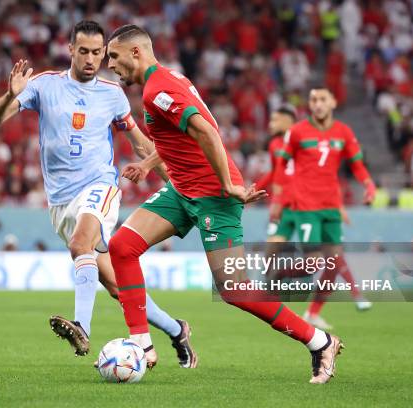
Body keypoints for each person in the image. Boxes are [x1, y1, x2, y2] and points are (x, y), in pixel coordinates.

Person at [106, 24, 343, 384]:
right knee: (122, 246)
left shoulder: (158, 90)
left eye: (113, 56)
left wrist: (229, 184)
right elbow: (177, 137)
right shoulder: (168, 79)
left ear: (135, 52)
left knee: (235, 289)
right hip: (182, 191)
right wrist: (149, 163)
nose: (110, 64)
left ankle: (319, 341)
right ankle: (141, 343)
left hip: (214, 197)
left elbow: (206, 131)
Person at [0, 21, 196, 368]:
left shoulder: (112, 93)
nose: (91, 58)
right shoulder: (44, 85)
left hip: (100, 187)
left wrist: (175, 182)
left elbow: (141, 142)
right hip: (60, 200)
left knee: (80, 244)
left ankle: (81, 326)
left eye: (97, 52)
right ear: (70, 49)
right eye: (83, 51)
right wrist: (11, 94)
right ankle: (177, 330)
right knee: (117, 286)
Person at [258, 106, 372, 331]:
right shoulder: (274, 145)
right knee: (273, 247)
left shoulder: (304, 143)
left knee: (324, 259)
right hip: (284, 208)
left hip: (304, 206)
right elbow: (274, 173)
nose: (270, 123)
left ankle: (326, 300)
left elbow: (325, 176)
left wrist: (336, 205)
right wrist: (256, 192)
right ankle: (268, 289)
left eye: (275, 119)